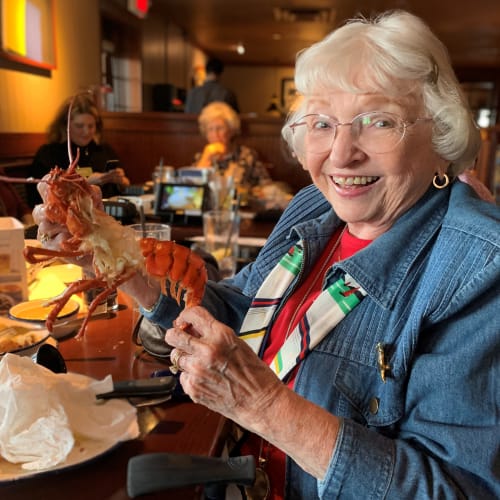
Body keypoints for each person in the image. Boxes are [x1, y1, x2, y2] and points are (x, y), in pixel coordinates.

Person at [33, 10, 499, 499]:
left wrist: (263, 405)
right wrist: (117, 266)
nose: (341, 154)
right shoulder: (314, 207)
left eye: (379, 122)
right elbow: (244, 312)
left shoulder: (478, 269)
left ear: (441, 135)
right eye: (321, 123)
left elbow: (456, 491)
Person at [27, 92, 130, 207]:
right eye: (79, 126)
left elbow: (125, 186)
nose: (86, 132)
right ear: (66, 126)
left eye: (91, 126)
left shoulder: (103, 150)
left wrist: (121, 181)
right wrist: (86, 182)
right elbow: (40, 197)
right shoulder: (49, 154)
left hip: (109, 211)